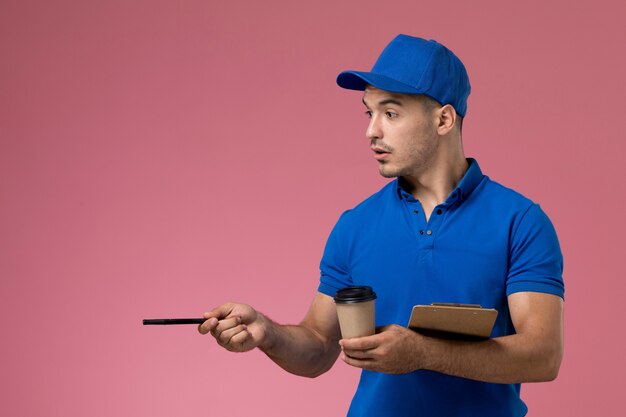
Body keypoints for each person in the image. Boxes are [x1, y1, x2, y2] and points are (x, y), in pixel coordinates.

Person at [198, 34, 564, 417]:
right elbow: (319, 346)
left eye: (390, 113)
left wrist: (423, 353)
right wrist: (267, 333)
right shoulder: (354, 226)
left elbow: (543, 355)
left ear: (443, 119)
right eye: (368, 113)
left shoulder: (520, 222)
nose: (371, 131)